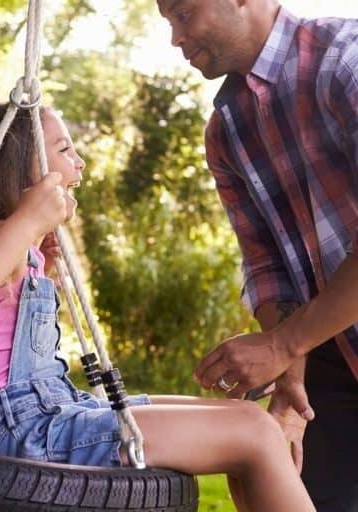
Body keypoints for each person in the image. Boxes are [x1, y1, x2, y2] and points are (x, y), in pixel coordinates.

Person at [0, 103, 315, 512]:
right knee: (256, 431)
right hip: (18, 428)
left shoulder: (18, 244)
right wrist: (27, 223)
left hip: (53, 406)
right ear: (19, 166)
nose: (79, 162)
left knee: (247, 419)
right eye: (64, 149)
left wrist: (42, 255)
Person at [156, 0, 358, 508]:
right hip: (329, 351)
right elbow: (267, 265)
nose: (175, 38)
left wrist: (282, 346)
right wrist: (288, 377)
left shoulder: (345, 59)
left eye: (182, 13)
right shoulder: (225, 130)